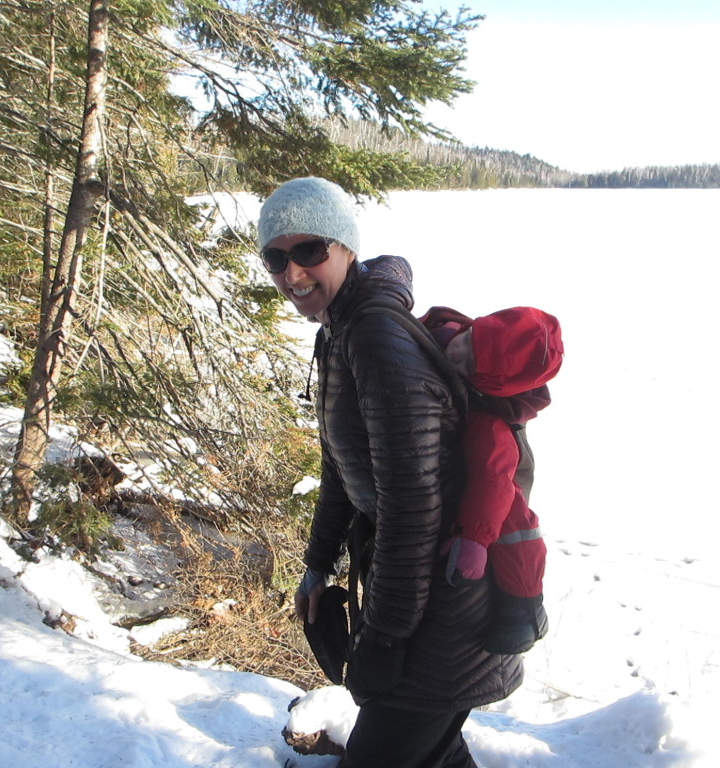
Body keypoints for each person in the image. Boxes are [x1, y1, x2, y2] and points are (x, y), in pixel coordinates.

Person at [258, 177, 522, 768]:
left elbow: (414, 510)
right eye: (276, 257)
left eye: (310, 251)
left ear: (347, 248)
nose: (292, 273)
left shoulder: (375, 337)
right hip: (426, 603)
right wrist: (317, 563)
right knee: (435, 754)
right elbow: (340, 470)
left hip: (444, 610)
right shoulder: (341, 329)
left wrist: (383, 638)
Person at [423, 306, 563, 654]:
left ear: (487, 383)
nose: (458, 352)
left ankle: (525, 606)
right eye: (470, 340)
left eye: (470, 364)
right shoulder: (443, 329)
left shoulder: (491, 424)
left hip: (501, 472)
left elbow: (492, 481)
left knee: (512, 517)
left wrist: (474, 540)